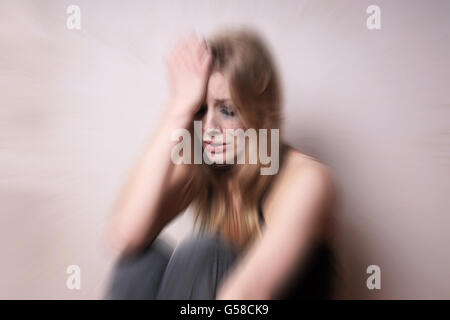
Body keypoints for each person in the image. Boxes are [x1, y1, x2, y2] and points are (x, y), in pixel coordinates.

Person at [104, 28, 337, 300]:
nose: (209, 129)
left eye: (227, 111)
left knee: (204, 255)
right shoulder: (204, 167)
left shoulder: (307, 179)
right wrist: (178, 107)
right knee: (141, 263)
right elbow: (125, 236)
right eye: (200, 111)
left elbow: (247, 295)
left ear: (259, 110)